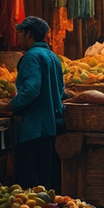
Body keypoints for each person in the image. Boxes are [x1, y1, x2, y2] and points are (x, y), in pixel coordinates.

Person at [9, 16, 65, 189]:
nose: (18, 38)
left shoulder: (31, 56)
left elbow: (32, 89)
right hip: (51, 127)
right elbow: (61, 90)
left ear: (29, 34)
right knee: (45, 181)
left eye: (20, 33)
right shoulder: (52, 56)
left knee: (29, 184)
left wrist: (13, 105)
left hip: (33, 128)